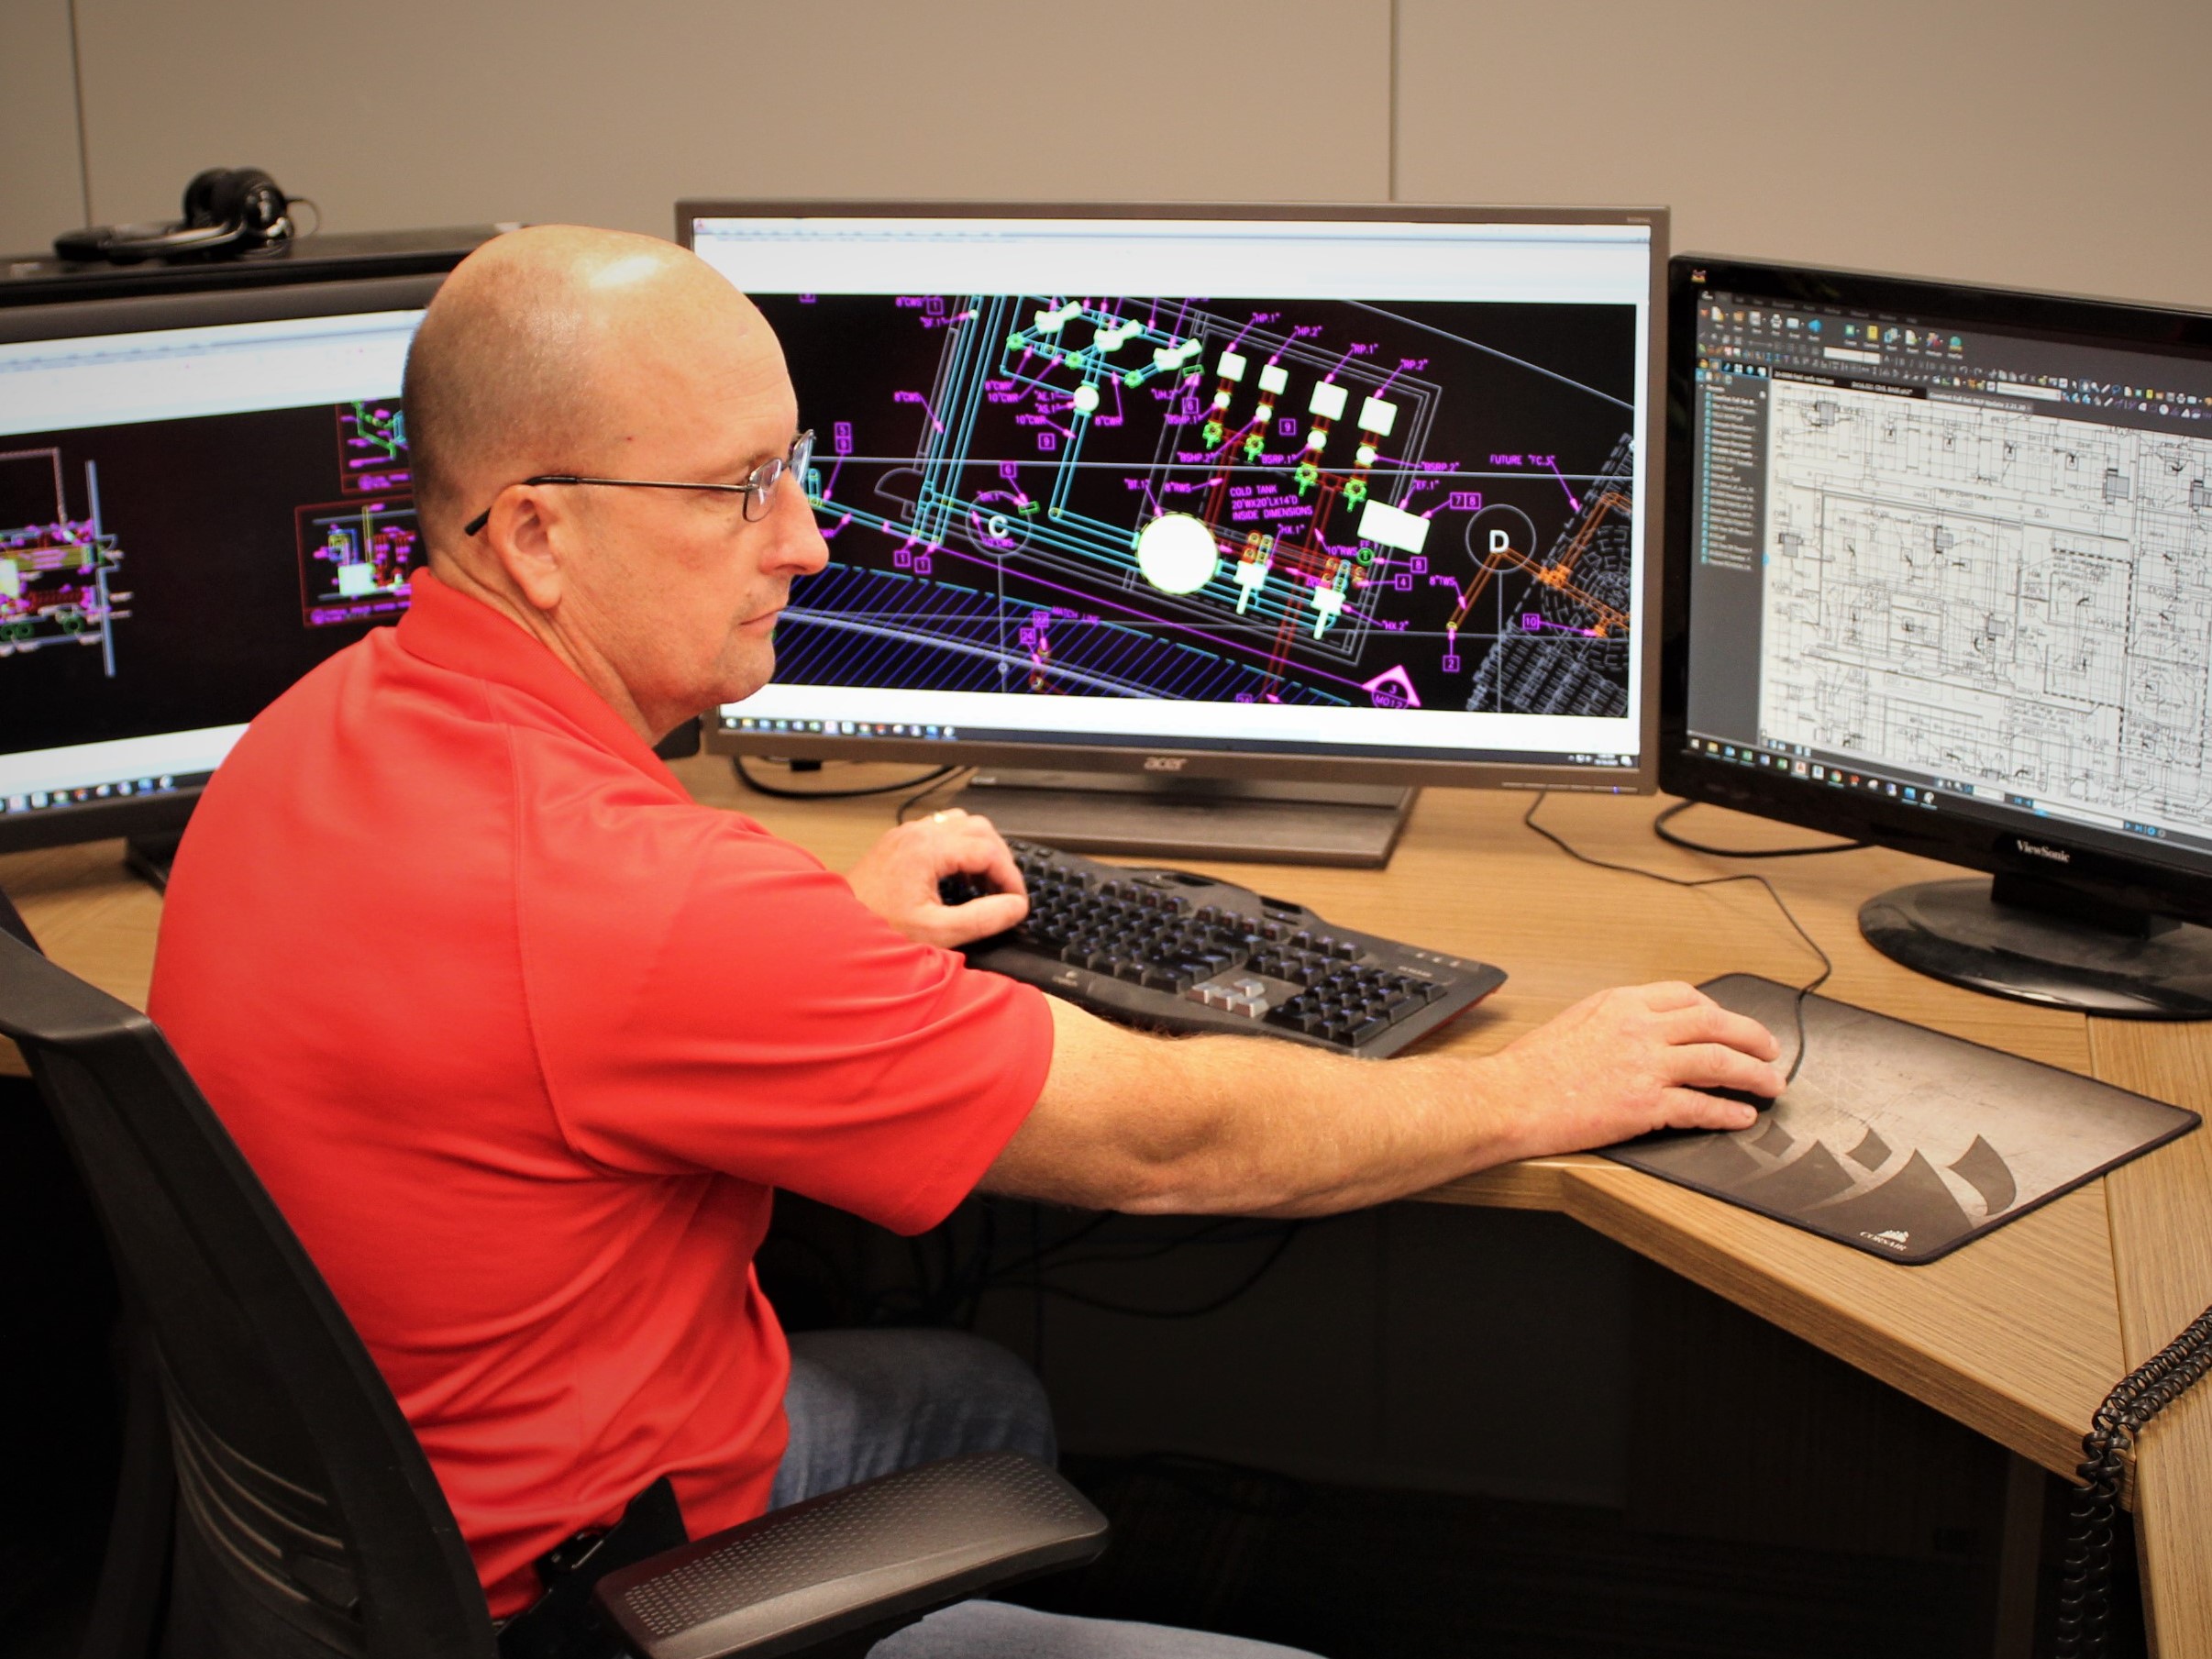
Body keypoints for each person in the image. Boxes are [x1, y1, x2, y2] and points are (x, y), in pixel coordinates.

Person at [148, 227, 1783, 1653]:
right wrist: (1535, 1084)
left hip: (359, 1542)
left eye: (793, 469)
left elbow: (549, 996)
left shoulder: (308, 737)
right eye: (736, 491)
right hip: (583, 1601)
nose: (805, 539)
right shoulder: (653, 908)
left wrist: (810, 952)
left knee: (980, 1401)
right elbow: (1169, 1139)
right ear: (538, 535)